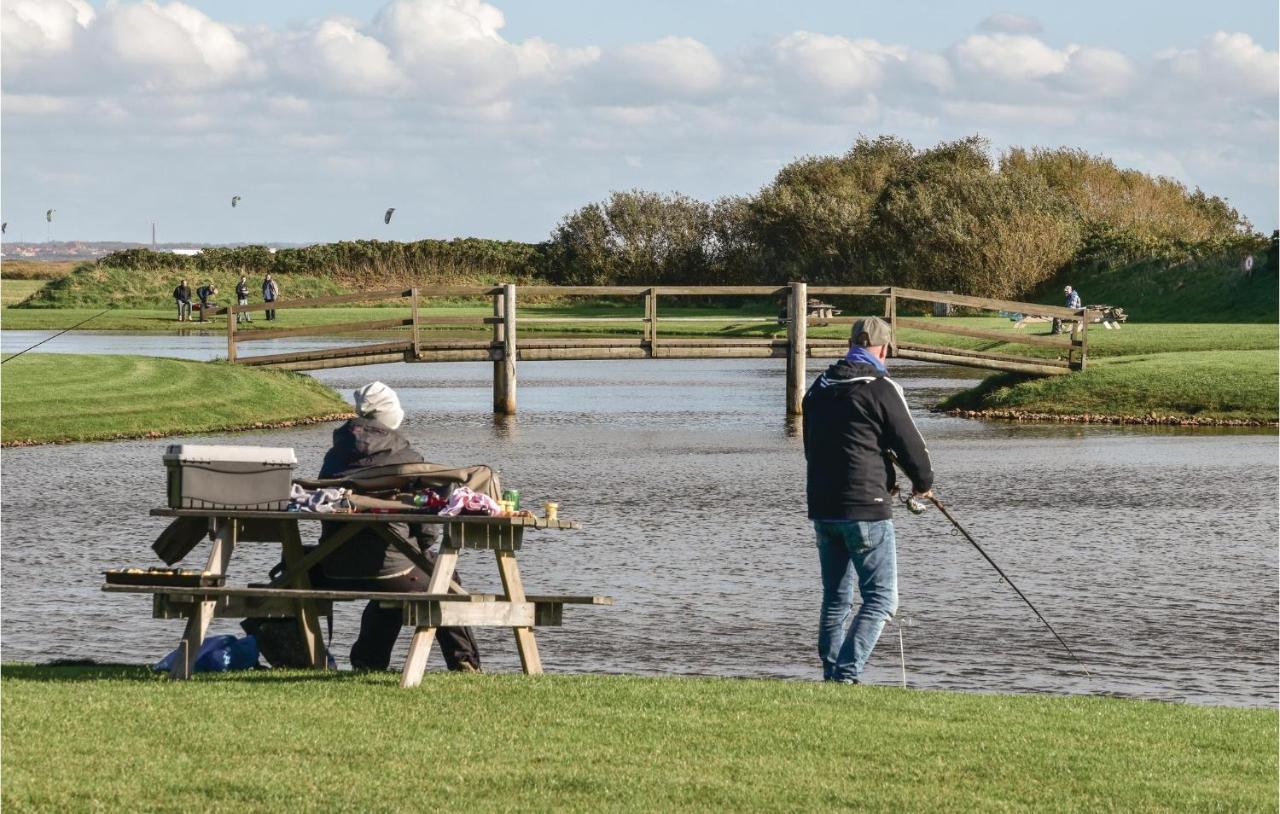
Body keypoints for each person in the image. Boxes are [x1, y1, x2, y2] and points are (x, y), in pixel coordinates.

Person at [802, 316, 933, 685]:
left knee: (836, 600)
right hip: (865, 509)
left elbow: (817, 450)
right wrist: (922, 484)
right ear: (884, 348)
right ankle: (846, 675)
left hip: (824, 508)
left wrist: (887, 477)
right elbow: (911, 445)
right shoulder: (881, 387)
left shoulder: (818, 388)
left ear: (850, 345)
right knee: (881, 601)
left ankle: (831, 676)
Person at [315, 382, 481, 672]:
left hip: (332, 565)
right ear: (391, 417)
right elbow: (428, 527)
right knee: (439, 573)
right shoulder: (408, 460)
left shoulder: (333, 457)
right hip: (394, 570)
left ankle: (368, 661)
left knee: (396, 580)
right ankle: (464, 662)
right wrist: (426, 547)